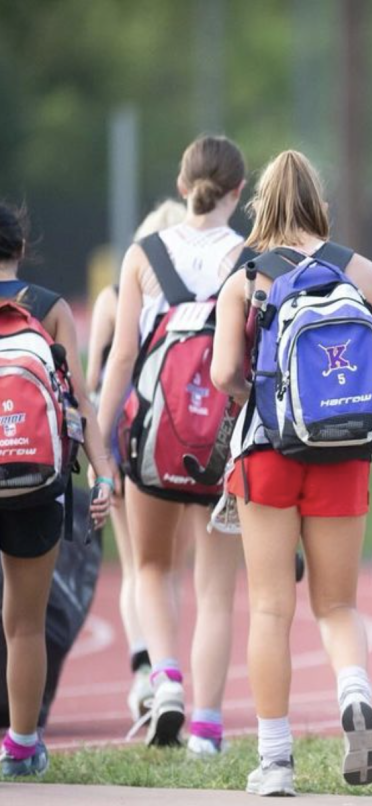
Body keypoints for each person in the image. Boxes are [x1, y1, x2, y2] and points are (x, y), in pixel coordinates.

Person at [210, 149, 372, 796]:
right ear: (318, 204)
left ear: (262, 205)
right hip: (345, 454)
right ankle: (354, 692)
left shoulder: (247, 274)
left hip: (268, 453)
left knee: (271, 609)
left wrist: (257, 390)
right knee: (336, 604)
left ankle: (275, 762)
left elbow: (223, 373)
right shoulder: (362, 271)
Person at [95, 135, 248, 753]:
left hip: (152, 437)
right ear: (238, 191)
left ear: (182, 186)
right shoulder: (247, 257)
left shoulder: (142, 255)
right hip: (224, 445)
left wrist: (101, 441)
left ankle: (167, 682)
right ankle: (207, 730)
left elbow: (122, 357)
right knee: (216, 592)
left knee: (152, 568)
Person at [0, 202, 113, 775]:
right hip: (34, 481)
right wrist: (103, 472)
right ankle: (21, 747)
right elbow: (79, 401)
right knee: (24, 623)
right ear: (21, 248)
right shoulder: (49, 309)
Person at [85, 199, 188, 725]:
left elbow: (98, 375)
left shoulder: (113, 296)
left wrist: (96, 446)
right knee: (171, 571)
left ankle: (143, 672)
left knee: (136, 568)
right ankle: (170, 672)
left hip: (126, 435)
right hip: (179, 441)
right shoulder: (202, 295)